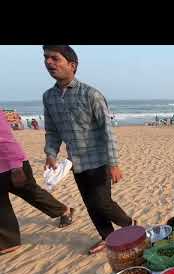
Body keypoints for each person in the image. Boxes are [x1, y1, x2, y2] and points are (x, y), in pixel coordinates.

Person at [42, 45, 134, 255]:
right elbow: (52, 130)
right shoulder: (49, 97)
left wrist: (114, 163)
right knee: (91, 205)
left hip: (99, 161)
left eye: (55, 58)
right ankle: (108, 237)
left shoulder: (91, 95)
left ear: (72, 65)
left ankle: (131, 225)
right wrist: (50, 153)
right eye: (46, 58)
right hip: (75, 162)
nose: (49, 63)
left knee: (102, 202)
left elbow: (107, 131)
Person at [0, 111, 74, 255]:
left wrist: (16, 166)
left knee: (32, 193)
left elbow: (4, 140)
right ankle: (9, 242)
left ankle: (63, 210)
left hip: (12, 165)